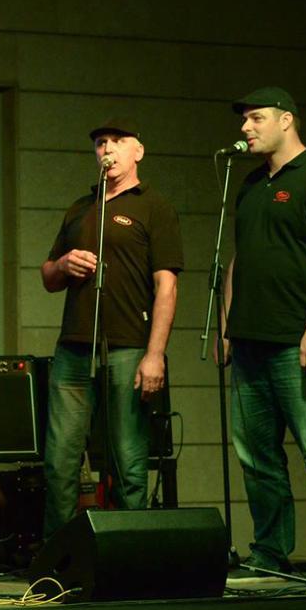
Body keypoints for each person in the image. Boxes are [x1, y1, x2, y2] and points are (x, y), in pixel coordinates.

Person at [218, 87, 306, 585]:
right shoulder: (251, 183)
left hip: (298, 341)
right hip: (249, 342)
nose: (245, 128)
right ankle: (270, 552)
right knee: (257, 457)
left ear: (286, 120)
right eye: (244, 120)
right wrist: (227, 324)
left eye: (256, 118)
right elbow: (240, 259)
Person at [40, 118, 182, 534]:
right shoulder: (81, 208)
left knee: (127, 458)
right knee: (60, 458)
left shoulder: (154, 206)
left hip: (127, 345)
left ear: (138, 152)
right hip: (74, 345)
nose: (108, 149)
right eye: (101, 143)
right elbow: (48, 276)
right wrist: (63, 265)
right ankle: (59, 551)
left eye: (118, 142)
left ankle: (127, 547)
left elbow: (167, 286)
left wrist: (155, 354)